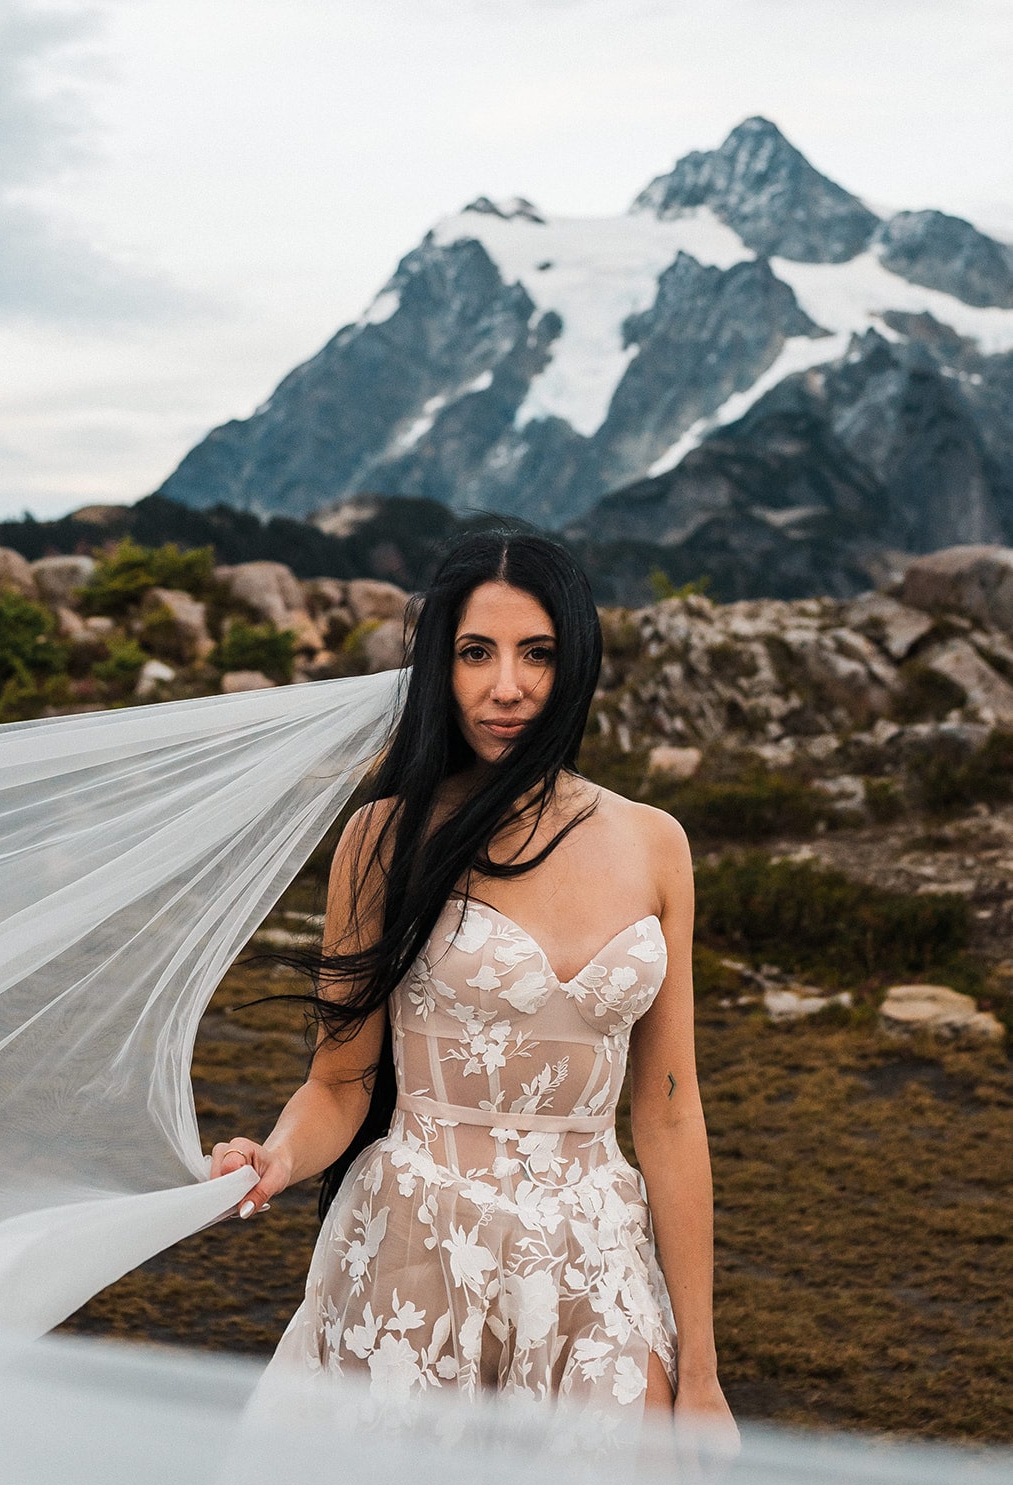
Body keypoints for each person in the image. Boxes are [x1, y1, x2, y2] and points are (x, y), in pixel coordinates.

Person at [210, 519, 737, 1436]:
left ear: (574, 663)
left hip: (595, 1259)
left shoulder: (657, 844)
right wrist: (277, 1159)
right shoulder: (385, 838)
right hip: (419, 1248)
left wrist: (701, 1371)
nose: (507, 687)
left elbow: (668, 1106)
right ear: (438, 669)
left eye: (536, 653)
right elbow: (340, 1083)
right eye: (474, 652)